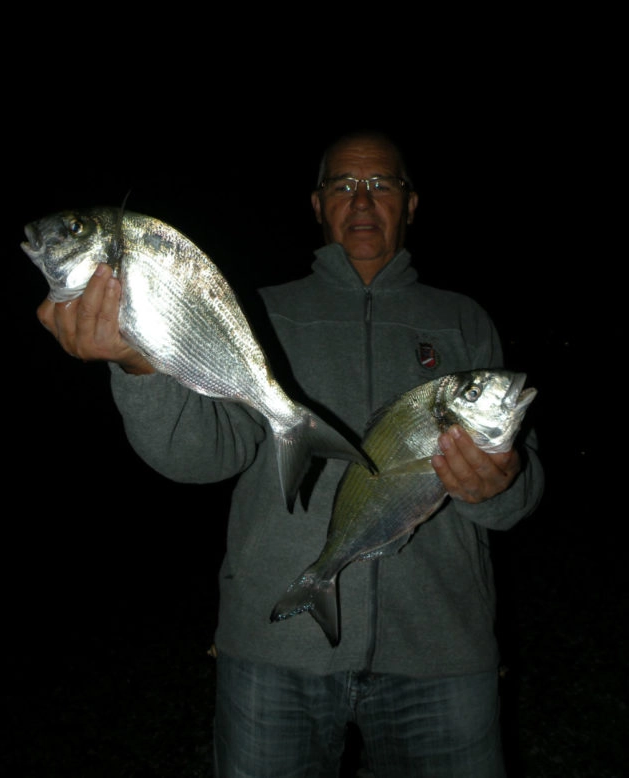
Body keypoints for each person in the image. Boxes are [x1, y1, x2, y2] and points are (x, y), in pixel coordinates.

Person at [36, 130, 544, 778]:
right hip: (272, 652)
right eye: (343, 185)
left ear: (411, 203)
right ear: (317, 202)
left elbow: (520, 492)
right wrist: (139, 366)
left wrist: (500, 483)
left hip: (442, 657)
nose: (362, 200)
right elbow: (202, 456)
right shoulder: (259, 314)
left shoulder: (464, 319)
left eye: (381, 184)